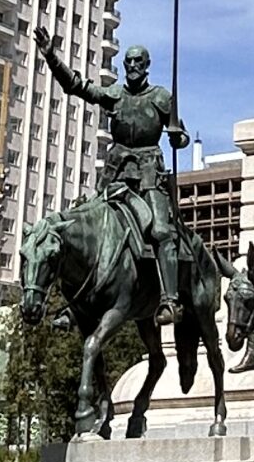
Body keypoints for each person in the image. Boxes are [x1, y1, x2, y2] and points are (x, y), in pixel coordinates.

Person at [36, 30, 190, 324]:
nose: (131, 67)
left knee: (160, 231)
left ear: (146, 65)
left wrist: (176, 139)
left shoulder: (161, 97)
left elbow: (180, 134)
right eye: (127, 62)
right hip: (116, 174)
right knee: (86, 225)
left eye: (137, 62)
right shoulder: (115, 94)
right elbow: (77, 86)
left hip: (149, 175)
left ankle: (170, 300)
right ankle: (77, 306)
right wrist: (51, 57)